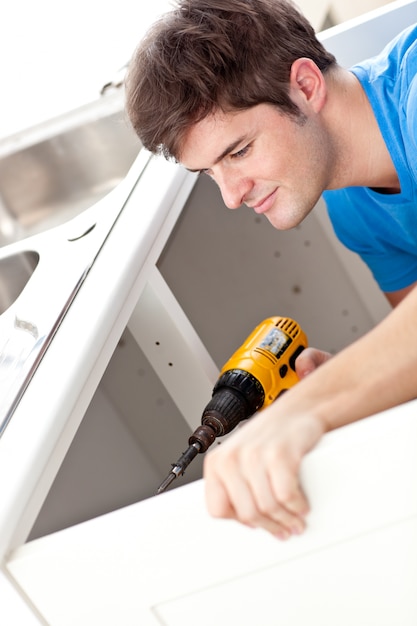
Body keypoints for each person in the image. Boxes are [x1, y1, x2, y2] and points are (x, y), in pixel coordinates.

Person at [125, 0, 417, 540]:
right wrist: (359, 386)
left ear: (305, 86)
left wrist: (309, 408)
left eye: (238, 152)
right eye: (209, 172)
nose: (231, 196)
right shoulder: (354, 210)